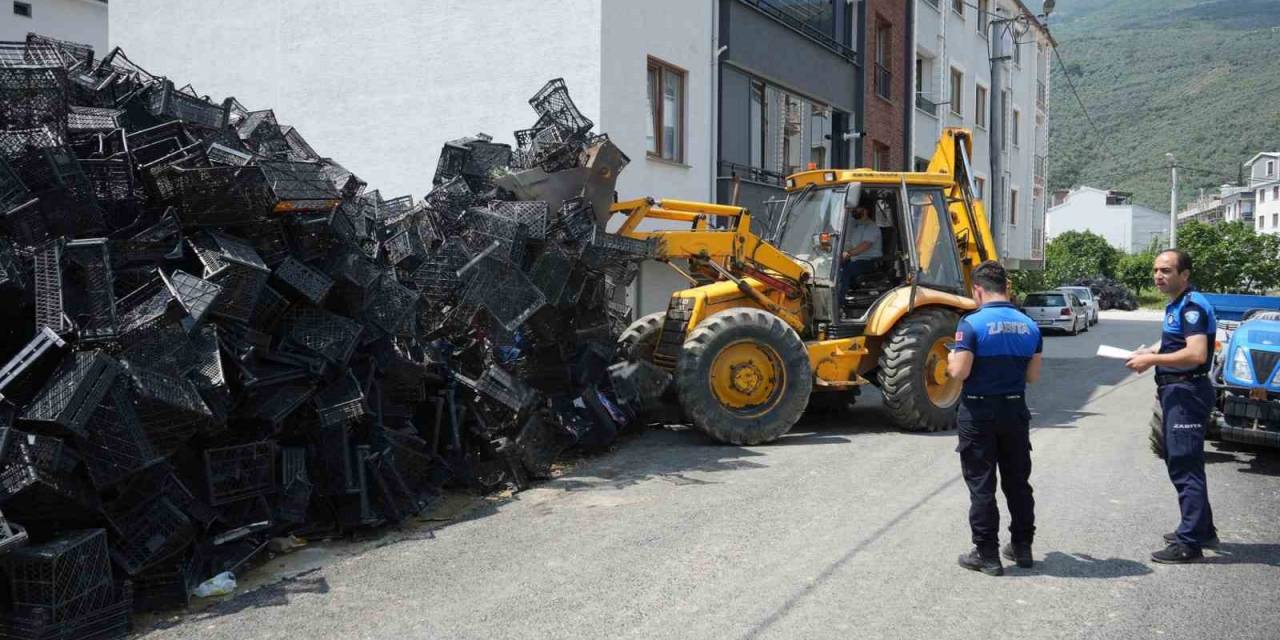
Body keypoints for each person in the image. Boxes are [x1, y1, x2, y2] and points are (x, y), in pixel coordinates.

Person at [946, 260, 1043, 576]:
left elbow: (960, 372)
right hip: (1014, 411)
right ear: (1006, 288)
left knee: (982, 485)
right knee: (1018, 483)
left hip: (978, 411)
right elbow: (1032, 376)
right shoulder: (1030, 325)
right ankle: (1023, 547)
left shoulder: (971, 324)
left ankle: (987, 555)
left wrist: (951, 360)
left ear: (977, 289)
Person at [1124, 249, 1218, 564]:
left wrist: (1151, 360)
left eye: (1166, 270)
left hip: (1187, 391)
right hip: (1176, 391)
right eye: (1155, 270)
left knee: (1184, 464)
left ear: (1185, 274)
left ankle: (1189, 543)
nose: (1158, 276)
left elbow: (1196, 354)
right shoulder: (1177, 305)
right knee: (1182, 461)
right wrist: (1149, 350)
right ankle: (1202, 528)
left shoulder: (1192, 307)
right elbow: (1173, 343)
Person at [838, 205, 882, 302]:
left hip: (869, 262)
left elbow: (865, 245)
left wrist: (848, 254)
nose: (853, 211)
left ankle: (839, 302)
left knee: (846, 271)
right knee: (834, 268)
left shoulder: (871, 227)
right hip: (856, 260)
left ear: (865, 210)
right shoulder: (857, 226)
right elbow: (849, 243)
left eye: (856, 209)